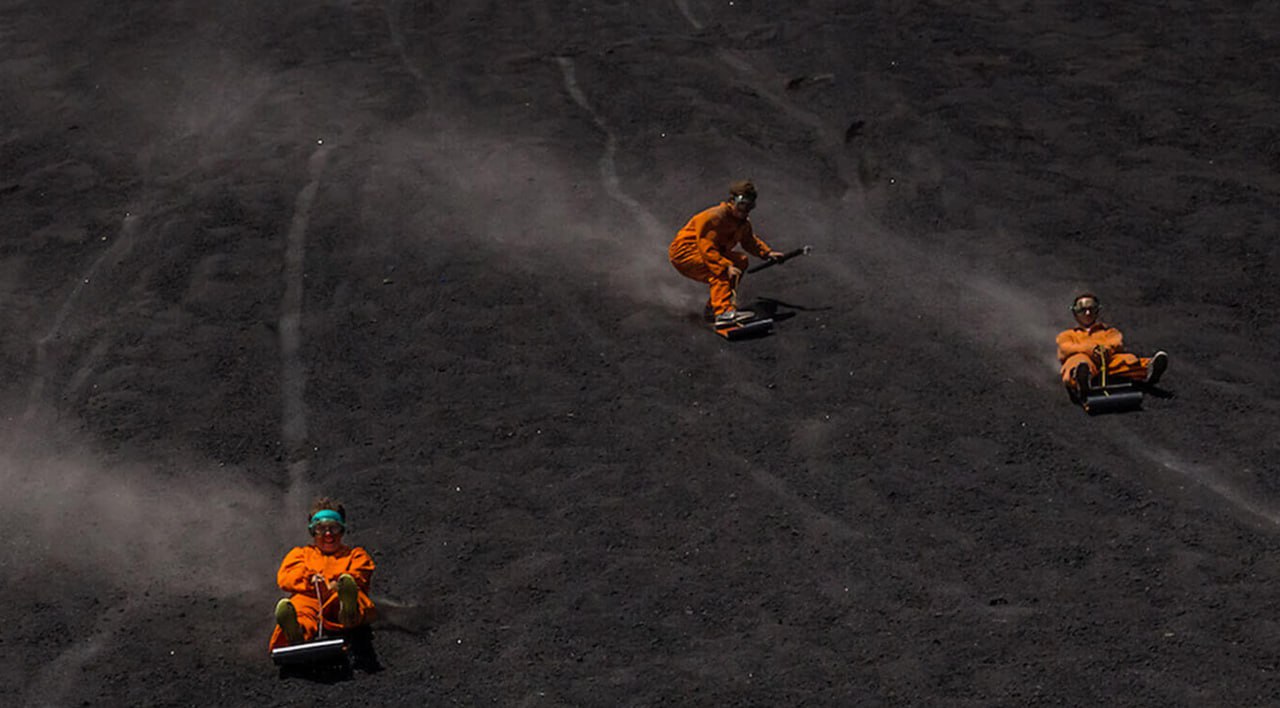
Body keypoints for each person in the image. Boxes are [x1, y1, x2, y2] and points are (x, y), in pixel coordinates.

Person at [669, 179, 787, 326]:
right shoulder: (715, 217)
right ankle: (723, 312)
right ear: (732, 201)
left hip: (707, 252)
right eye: (742, 205)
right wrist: (725, 265)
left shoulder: (742, 222)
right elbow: (707, 247)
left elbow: (749, 241)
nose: (745, 211)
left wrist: (767, 253)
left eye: (750, 207)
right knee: (723, 271)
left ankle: (714, 307)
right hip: (686, 253)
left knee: (740, 261)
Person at [269, 497, 377, 651]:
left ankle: (348, 613)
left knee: (353, 595)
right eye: (321, 529)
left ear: (342, 530)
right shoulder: (300, 554)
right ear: (313, 532)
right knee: (299, 607)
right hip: (312, 597)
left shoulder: (355, 555)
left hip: (338, 595)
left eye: (334, 528)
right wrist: (309, 580)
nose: (328, 534)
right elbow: (286, 577)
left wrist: (338, 584)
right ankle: (297, 631)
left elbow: (360, 574)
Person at [1056, 292, 1168, 400]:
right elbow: (1065, 348)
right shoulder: (1067, 334)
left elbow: (1116, 343)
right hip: (1085, 360)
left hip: (1107, 362)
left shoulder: (1108, 331)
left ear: (1097, 311)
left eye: (1091, 309)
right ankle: (1080, 378)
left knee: (1126, 359)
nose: (1088, 313)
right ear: (1075, 313)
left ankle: (1148, 368)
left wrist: (1105, 350)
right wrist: (1090, 350)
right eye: (1082, 310)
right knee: (1078, 361)